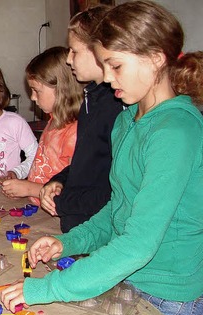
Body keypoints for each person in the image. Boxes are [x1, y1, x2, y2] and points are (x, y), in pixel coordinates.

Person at [1, 1, 203, 315]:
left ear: (155, 58)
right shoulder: (127, 120)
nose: (107, 78)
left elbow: (138, 243)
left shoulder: (174, 132)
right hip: (131, 276)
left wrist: (47, 288)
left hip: (167, 290)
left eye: (116, 66)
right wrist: (69, 242)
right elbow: (118, 209)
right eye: (104, 65)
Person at [39, 5, 125, 233]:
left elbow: (113, 190)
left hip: (98, 230)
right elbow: (84, 166)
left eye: (74, 51)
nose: (68, 59)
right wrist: (59, 181)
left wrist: (65, 201)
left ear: (99, 50)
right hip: (77, 224)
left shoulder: (116, 107)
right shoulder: (91, 98)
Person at [1, 47, 81, 203]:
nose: (32, 97)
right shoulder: (52, 121)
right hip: (37, 205)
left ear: (61, 89)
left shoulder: (74, 132)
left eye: (36, 91)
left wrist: (28, 188)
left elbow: (73, 189)